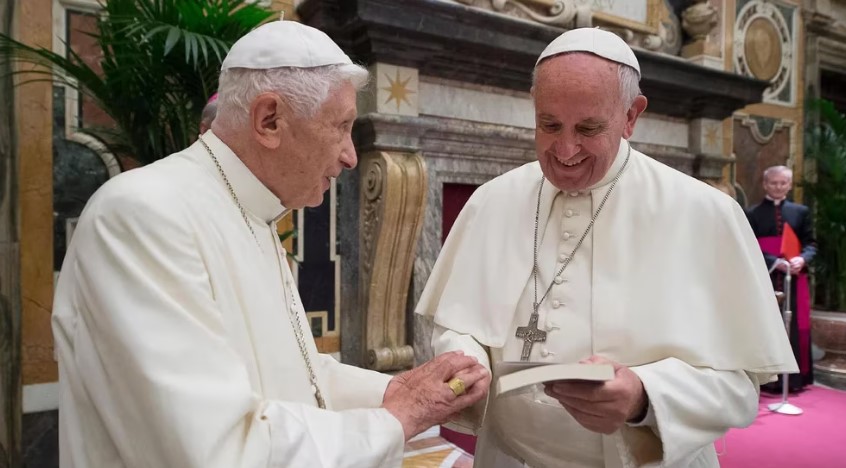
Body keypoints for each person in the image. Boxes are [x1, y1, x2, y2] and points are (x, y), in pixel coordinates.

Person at [52, 21, 489, 468]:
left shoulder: (256, 214)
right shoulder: (142, 214)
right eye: (340, 127)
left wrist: (394, 391)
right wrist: (399, 417)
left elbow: (300, 375)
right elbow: (217, 447)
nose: (350, 155)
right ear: (270, 120)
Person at [416, 28, 797, 468]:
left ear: (631, 116)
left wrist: (643, 398)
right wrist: (466, 358)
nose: (565, 148)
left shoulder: (705, 212)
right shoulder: (492, 201)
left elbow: (740, 387)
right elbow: (458, 323)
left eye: (589, 128)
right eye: (549, 124)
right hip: (507, 459)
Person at [746, 165, 817, 393]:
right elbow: (748, 245)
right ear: (765, 184)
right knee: (766, 325)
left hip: (794, 278)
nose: (778, 187)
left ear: (789, 184)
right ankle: (769, 380)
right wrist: (774, 262)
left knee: (794, 326)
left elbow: (811, 244)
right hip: (765, 276)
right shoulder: (752, 213)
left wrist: (802, 260)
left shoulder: (801, 211)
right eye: (774, 183)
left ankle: (794, 381)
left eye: (783, 183)